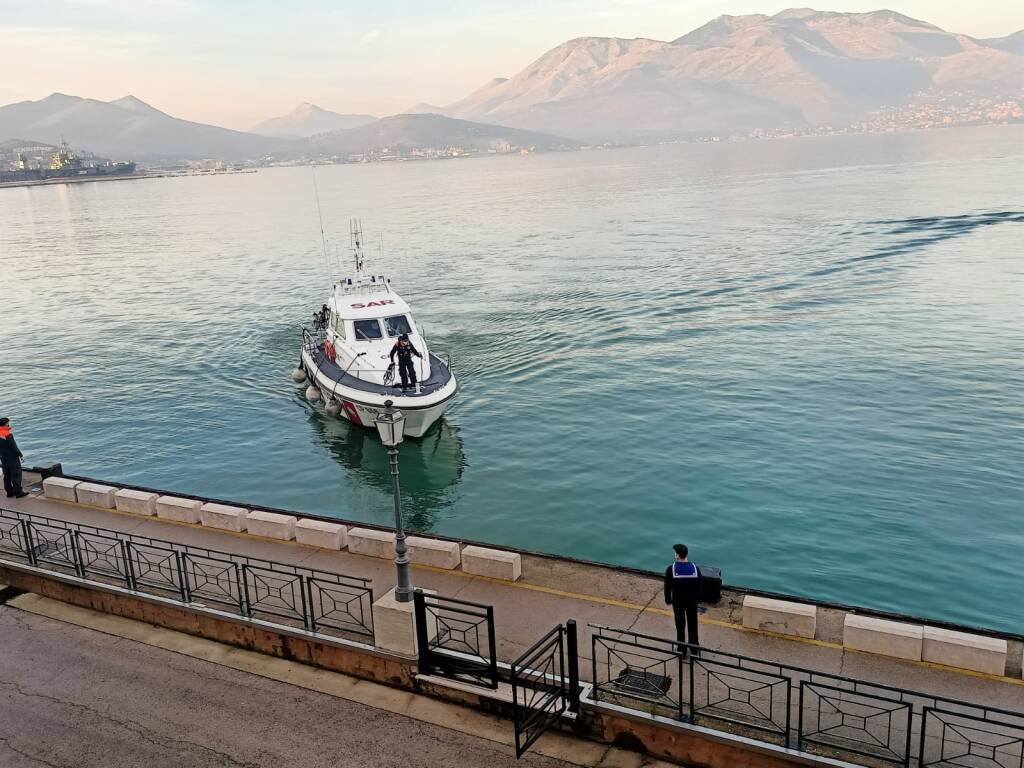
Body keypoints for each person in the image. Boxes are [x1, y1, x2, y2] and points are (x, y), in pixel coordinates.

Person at [664, 543, 701, 655]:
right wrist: (697, 599)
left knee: (680, 624)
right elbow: (699, 586)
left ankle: (681, 649)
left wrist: (668, 599)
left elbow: (667, 587)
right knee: (693, 624)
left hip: (678, 601)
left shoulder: (671, 569)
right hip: (692, 601)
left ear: (677, 555)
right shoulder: (695, 568)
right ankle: (694, 649)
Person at [0, 417, 27, 499]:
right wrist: (21, 455)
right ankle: (18, 492)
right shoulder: (7, 434)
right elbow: (13, 447)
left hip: (3, 458)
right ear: (6, 424)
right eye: (8, 423)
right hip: (12, 458)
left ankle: (9, 492)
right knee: (16, 474)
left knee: (7, 475)